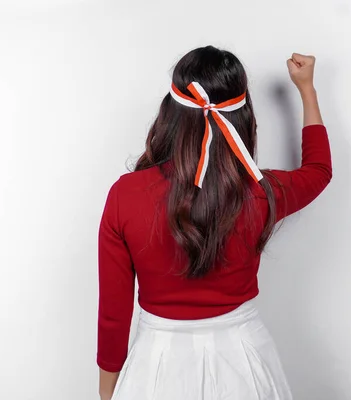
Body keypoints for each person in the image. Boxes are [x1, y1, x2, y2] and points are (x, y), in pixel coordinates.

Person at [97, 46, 332, 400]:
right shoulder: (261, 193)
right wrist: (307, 89)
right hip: (244, 362)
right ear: (243, 118)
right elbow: (318, 171)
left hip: (156, 366)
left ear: (170, 113)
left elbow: (113, 317)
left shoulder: (125, 195)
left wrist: (107, 394)